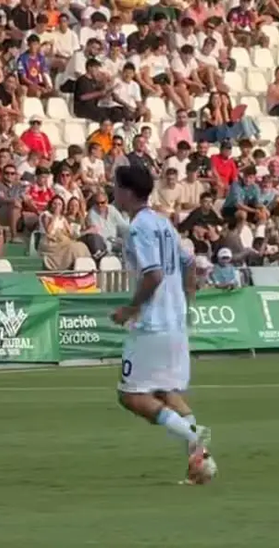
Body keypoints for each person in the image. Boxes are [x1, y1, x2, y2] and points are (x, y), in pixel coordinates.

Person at [108, 165, 215, 484]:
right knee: (164, 391)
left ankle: (193, 435)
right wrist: (185, 300)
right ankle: (200, 461)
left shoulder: (139, 227)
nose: (113, 192)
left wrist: (131, 308)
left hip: (152, 324)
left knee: (130, 395)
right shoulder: (162, 222)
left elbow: (153, 275)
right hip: (174, 320)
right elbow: (189, 262)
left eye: (116, 186)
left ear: (127, 191)